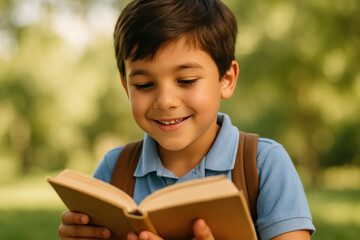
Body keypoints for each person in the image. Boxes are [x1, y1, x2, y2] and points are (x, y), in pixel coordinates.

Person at [58, 0, 315, 239]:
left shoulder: (264, 165)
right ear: (127, 88)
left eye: (186, 81)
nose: (165, 101)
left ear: (226, 80)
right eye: (144, 84)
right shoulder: (114, 169)